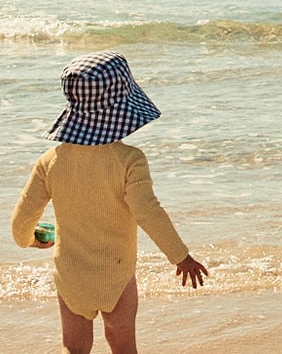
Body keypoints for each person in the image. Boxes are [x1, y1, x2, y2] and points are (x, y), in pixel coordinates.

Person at [11, 51, 209, 354]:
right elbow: (148, 212)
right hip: (115, 274)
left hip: (70, 274)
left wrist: (31, 239)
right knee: (122, 342)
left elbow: (21, 221)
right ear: (122, 109)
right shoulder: (130, 161)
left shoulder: (49, 162)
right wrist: (180, 257)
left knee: (75, 347)